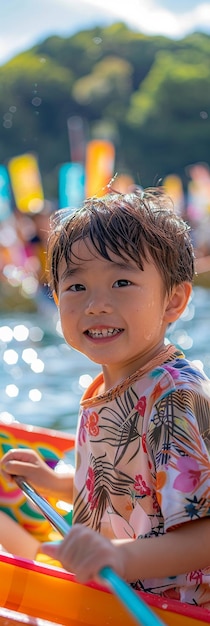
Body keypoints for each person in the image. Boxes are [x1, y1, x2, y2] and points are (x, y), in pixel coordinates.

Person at [1, 188, 210, 607]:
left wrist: (119, 556)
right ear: (57, 300)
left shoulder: (173, 399)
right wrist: (51, 480)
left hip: (174, 609)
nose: (96, 304)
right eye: (76, 286)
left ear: (174, 300)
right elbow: (120, 487)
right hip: (111, 595)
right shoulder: (111, 387)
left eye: (122, 282)